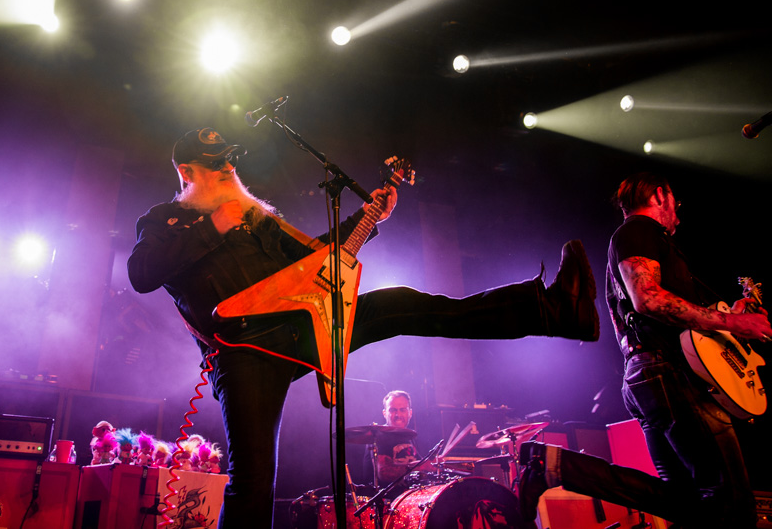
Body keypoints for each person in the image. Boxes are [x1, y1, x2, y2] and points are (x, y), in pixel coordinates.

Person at [128, 127, 599, 529]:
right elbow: (141, 273)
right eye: (215, 164)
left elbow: (317, 261)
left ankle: (552, 309)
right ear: (187, 172)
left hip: (298, 326)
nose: (228, 169)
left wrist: (366, 218)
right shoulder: (165, 221)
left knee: (404, 304)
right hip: (242, 351)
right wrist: (213, 227)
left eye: (229, 160)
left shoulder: (258, 221)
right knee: (253, 479)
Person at [517, 172, 771, 528]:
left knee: (683, 502)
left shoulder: (630, 243)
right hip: (670, 376)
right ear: (659, 194)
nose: (678, 217)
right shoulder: (637, 231)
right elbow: (648, 299)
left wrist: (729, 315)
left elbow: (653, 313)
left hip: (649, 376)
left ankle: (557, 466)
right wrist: (733, 324)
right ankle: (556, 467)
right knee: (733, 505)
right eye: (675, 205)